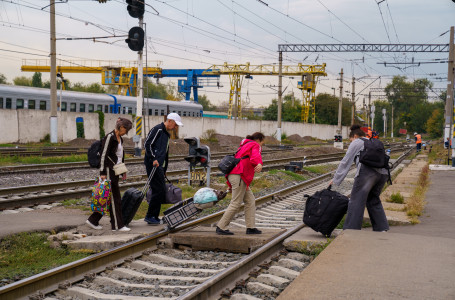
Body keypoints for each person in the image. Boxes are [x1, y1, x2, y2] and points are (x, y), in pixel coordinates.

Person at [328, 124, 389, 232]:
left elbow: (346, 162)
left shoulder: (356, 142)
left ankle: (351, 230)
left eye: (350, 140)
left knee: (356, 201)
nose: (351, 142)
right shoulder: (372, 141)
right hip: (383, 174)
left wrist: (336, 179)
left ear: (355, 136)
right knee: (373, 200)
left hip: (367, 175)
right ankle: (382, 228)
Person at [86, 117, 133, 232]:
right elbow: (103, 155)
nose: (126, 133)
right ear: (121, 127)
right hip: (108, 171)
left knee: (109, 198)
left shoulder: (119, 139)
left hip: (115, 171)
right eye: (126, 130)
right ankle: (117, 226)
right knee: (114, 198)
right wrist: (102, 172)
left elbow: (120, 156)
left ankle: (93, 220)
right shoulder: (109, 137)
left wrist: (123, 171)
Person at [216, 132, 265, 235]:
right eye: (262, 143)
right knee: (236, 202)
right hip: (239, 176)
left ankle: (250, 227)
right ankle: (221, 226)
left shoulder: (244, 146)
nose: (261, 145)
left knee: (250, 200)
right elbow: (255, 156)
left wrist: (230, 185)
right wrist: (259, 164)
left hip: (237, 176)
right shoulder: (255, 145)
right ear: (259, 140)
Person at [143, 113, 183, 225]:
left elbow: (165, 152)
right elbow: (147, 144)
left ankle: (153, 216)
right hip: (153, 164)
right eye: (175, 124)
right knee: (158, 189)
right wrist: (153, 159)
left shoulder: (166, 133)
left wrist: (164, 168)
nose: (175, 127)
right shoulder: (158, 129)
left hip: (159, 166)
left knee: (159, 190)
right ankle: (150, 216)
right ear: (170, 121)